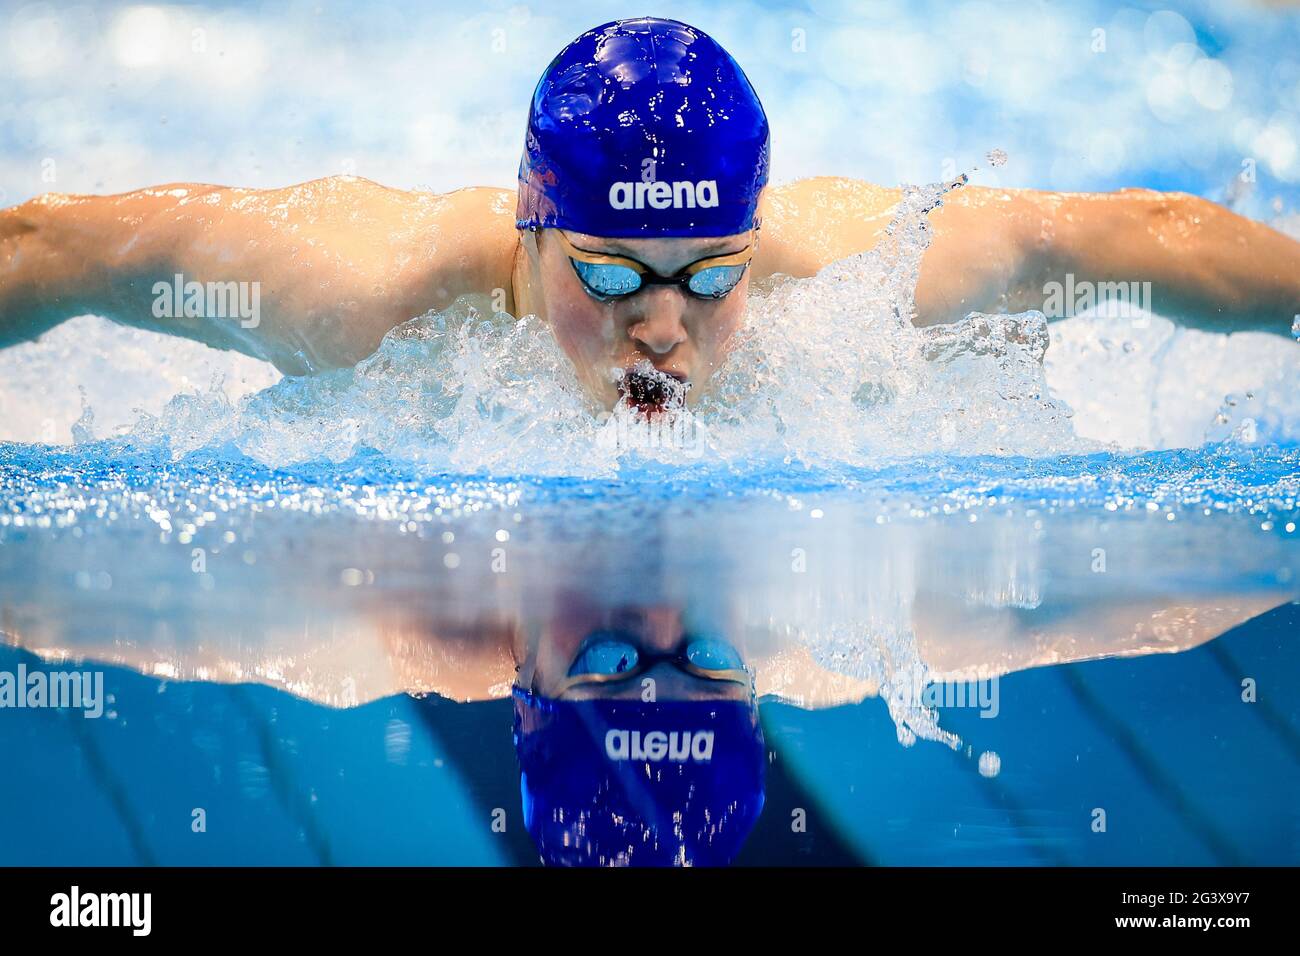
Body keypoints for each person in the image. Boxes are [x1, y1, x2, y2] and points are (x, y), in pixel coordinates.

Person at [1, 17, 1297, 413]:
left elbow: (1133, 237)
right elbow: (49, 250)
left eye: (710, 278)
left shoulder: (844, 272)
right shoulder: (359, 292)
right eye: (613, 280)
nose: (664, 332)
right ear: (531, 222)